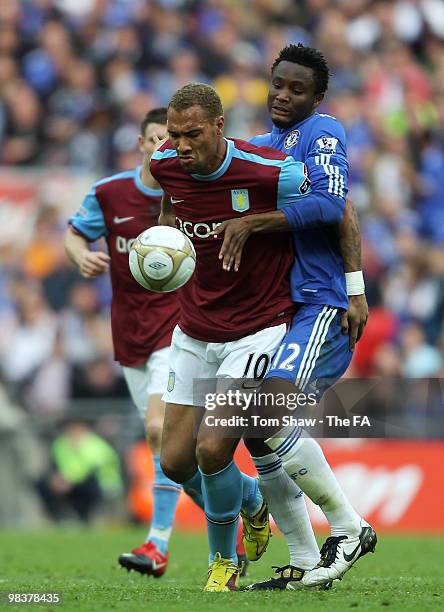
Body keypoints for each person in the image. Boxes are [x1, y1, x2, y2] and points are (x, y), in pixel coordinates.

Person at [150, 82, 347, 592]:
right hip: (193, 329)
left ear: (219, 126)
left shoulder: (267, 170)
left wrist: (354, 286)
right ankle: (255, 502)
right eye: (174, 135)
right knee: (174, 460)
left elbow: (336, 206)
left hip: (255, 330)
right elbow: (172, 212)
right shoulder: (166, 165)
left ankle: (224, 563)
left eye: (191, 134)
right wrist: (164, 248)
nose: (181, 145)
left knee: (213, 449)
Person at [212, 44, 376, 589]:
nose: (283, 95)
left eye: (297, 88)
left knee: (266, 416)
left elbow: (335, 207)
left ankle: (350, 528)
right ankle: (305, 560)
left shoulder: (322, 133)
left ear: (317, 96)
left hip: (321, 304)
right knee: (255, 431)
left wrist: (354, 289)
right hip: (281, 311)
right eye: (278, 84)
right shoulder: (264, 146)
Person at [64, 108, 186, 577]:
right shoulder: (109, 192)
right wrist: (81, 257)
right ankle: (245, 500)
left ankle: (157, 543)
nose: (161, 148)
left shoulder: (187, 196)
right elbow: (74, 235)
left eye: (169, 141)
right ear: (141, 143)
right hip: (129, 331)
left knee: (158, 430)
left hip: (175, 329)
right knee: (170, 450)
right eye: (155, 139)